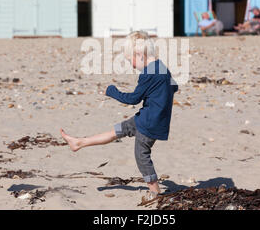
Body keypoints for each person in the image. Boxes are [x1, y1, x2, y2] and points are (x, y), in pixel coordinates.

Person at [61, 31, 178, 202]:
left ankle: (156, 193)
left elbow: (133, 99)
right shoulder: (162, 67)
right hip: (148, 117)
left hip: (149, 124)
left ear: (140, 55)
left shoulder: (148, 74)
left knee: (142, 155)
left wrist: (112, 91)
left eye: (130, 59)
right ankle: (79, 142)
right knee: (118, 130)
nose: (131, 64)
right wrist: (161, 97)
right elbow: (174, 87)